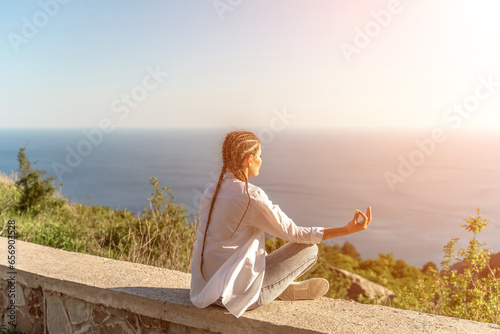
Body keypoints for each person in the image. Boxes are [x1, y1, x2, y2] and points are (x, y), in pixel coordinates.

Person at [190, 130, 372, 318]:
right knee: (309, 249)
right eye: (260, 156)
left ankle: (278, 286)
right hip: (236, 298)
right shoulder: (250, 196)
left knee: (253, 248)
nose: (262, 160)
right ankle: (278, 287)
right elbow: (295, 234)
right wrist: (346, 229)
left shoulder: (211, 192)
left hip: (204, 291)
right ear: (249, 160)